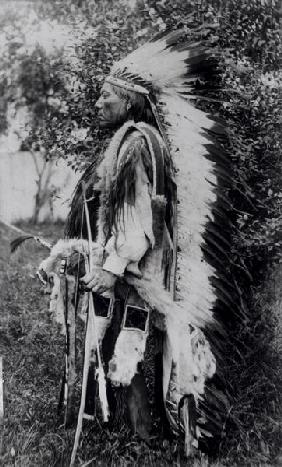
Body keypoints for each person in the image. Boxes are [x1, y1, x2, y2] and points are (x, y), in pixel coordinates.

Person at [44, 29, 236, 456]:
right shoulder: (137, 139)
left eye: (105, 97)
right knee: (126, 343)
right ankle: (146, 434)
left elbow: (139, 223)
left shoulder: (136, 145)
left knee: (127, 342)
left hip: (140, 268)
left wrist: (111, 269)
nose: (97, 104)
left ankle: (150, 438)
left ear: (129, 101)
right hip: (141, 265)